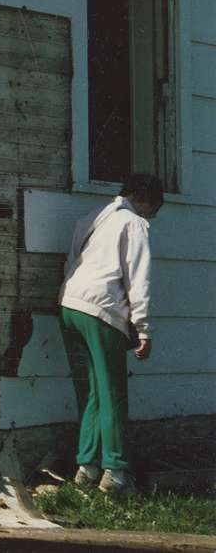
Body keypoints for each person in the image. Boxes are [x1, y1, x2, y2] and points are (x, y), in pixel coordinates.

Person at [58, 173, 162, 494]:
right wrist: (143, 329)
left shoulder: (91, 218)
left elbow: (70, 263)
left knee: (90, 392)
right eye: (152, 209)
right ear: (143, 199)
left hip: (69, 304)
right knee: (113, 392)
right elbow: (138, 280)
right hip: (102, 310)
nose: (150, 217)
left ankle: (86, 467)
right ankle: (115, 473)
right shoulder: (134, 224)